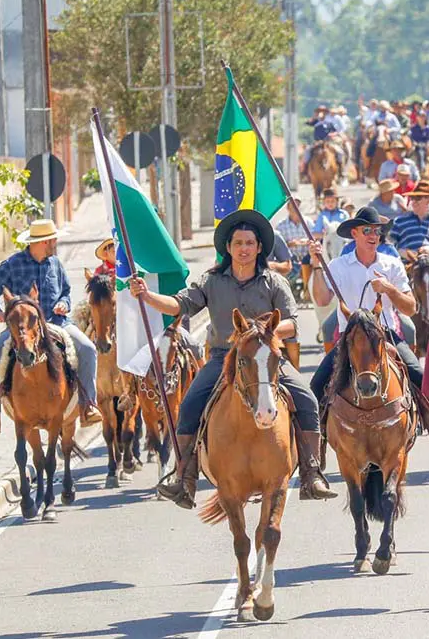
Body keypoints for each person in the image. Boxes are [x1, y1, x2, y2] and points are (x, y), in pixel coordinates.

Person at [129, 209, 334, 506]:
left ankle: (311, 473)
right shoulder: (211, 281)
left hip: (266, 356)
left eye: (249, 243)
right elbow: (179, 305)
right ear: (228, 247)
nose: (244, 249)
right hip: (223, 357)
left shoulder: (274, 282)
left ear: (259, 247)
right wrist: (147, 296)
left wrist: (263, 332)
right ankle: (184, 477)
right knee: (189, 404)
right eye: (238, 243)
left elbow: (292, 323)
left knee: (307, 398)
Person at [308, 207, 429, 462]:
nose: (373, 235)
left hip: (385, 334)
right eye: (367, 230)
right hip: (350, 338)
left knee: (419, 375)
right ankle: (315, 446)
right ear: (355, 234)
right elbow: (322, 299)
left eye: (377, 231)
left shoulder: (391, 264)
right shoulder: (338, 265)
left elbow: (410, 308)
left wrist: (390, 289)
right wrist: (315, 265)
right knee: (316, 385)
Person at [0, 219, 103, 435]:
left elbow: (65, 291)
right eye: (52, 240)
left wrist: (64, 303)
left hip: (57, 323)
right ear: (43, 242)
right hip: (22, 329)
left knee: (88, 349)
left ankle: (88, 405)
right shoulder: (12, 265)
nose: (55, 243)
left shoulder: (55, 264)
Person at [389, 181, 429, 258]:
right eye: (412, 198)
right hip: (405, 263)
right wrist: (401, 252)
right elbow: (390, 246)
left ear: (428, 200)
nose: (413, 202)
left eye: (417, 198)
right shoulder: (399, 221)